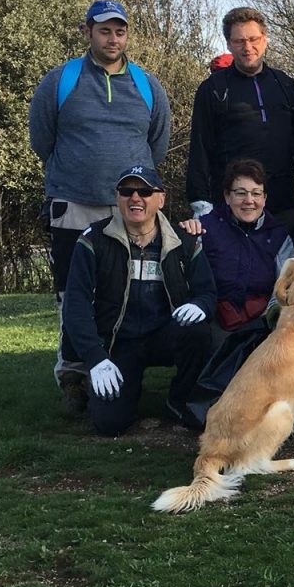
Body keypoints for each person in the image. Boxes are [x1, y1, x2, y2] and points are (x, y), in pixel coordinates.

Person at [29, 0, 171, 415]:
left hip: (129, 205)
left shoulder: (147, 85)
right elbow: (42, 139)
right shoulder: (61, 80)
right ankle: (74, 375)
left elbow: (157, 144)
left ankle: (115, 367)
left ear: (127, 35)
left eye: (120, 31)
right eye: (105, 30)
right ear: (88, 32)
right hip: (72, 203)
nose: (113, 38)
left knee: (123, 286)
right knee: (73, 293)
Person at [62, 165, 214, 436]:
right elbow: (76, 305)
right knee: (109, 424)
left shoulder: (185, 241)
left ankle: (180, 401)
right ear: (117, 197)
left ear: (161, 199)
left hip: (165, 334)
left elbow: (208, 292)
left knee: (198, 331)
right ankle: (116, 391)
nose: (135, 198)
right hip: (118, 342)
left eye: (145, 191)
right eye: (127, 191)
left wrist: (200, 305)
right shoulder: (92, 240)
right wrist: (95, 357)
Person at [186, 6, 294, 232]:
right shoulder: (213, 89)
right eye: (239, 41)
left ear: (265, 39)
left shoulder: (284, 84)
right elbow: (200, 147)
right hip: (232, 209)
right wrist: (200, 201)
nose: (248, 47)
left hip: (283, 207)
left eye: (254, 39)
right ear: (228, 44)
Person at [179, 158, 292, 337]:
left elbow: (287, 283)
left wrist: (272, 315)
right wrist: (186, 235)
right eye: (240, 193)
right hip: (214, 319)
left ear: (265, 198)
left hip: (261, 321)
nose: (249, 200)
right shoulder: (204, 227)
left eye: (256, 193)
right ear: (227, 196)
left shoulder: (278, 235)